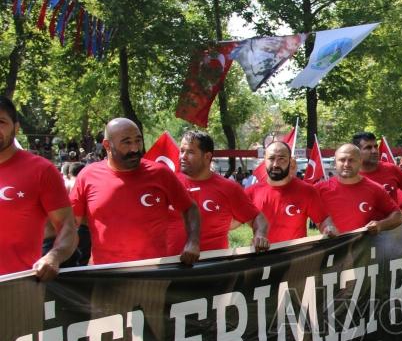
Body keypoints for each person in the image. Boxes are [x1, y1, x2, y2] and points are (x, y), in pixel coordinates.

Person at [70, 118, 201, 265]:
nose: (135, 149)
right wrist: (57, 256)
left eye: (138, 141)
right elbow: (69, 222)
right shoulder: (88, 176)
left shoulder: (160, 173)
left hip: (154, 273)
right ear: (107, 145)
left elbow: (190, 208)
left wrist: (193, 242)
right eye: (126, 142)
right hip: (105, 275)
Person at [0, 97, 77, 279]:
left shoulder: (41, 170)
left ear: (16, 127)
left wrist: (54, 256)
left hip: (18, 287)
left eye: (1, 122)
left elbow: (68, 225)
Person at [172, 130, 269, 252]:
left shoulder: (228, 188)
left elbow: (257, 218)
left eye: (190, 152)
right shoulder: (169, 182)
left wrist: (260, 235)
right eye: (181, 151)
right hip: (170, 266)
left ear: (207, 157)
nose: (183, 156)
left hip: (215, 267)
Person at [246, 141, 337, 243]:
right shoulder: (251, 192)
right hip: (262, 255)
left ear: (291, 162)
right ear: (265, 161)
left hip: (296, 255)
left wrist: (329, 228)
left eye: (282, 159)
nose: (275, 164)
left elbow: (322, 220)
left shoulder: (307, 191)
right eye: (271, 158)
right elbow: (230, 222)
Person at [316, 144, 402, 234]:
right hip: (332, 247)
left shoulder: (375, 189)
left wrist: (380, 225)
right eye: (342, 160)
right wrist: (326, 227)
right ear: (335, 162)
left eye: (351, 160)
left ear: (360, 162)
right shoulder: (319, 189)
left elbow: (398, 216)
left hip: (365, 247)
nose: (346, 164)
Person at [353, 132, 402, 224]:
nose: (374, 151)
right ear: (357, 152)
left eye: (375, 146)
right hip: (362, 233)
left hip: (393, 232)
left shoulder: (392, 169)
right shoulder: (351, 175)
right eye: (368, 148)